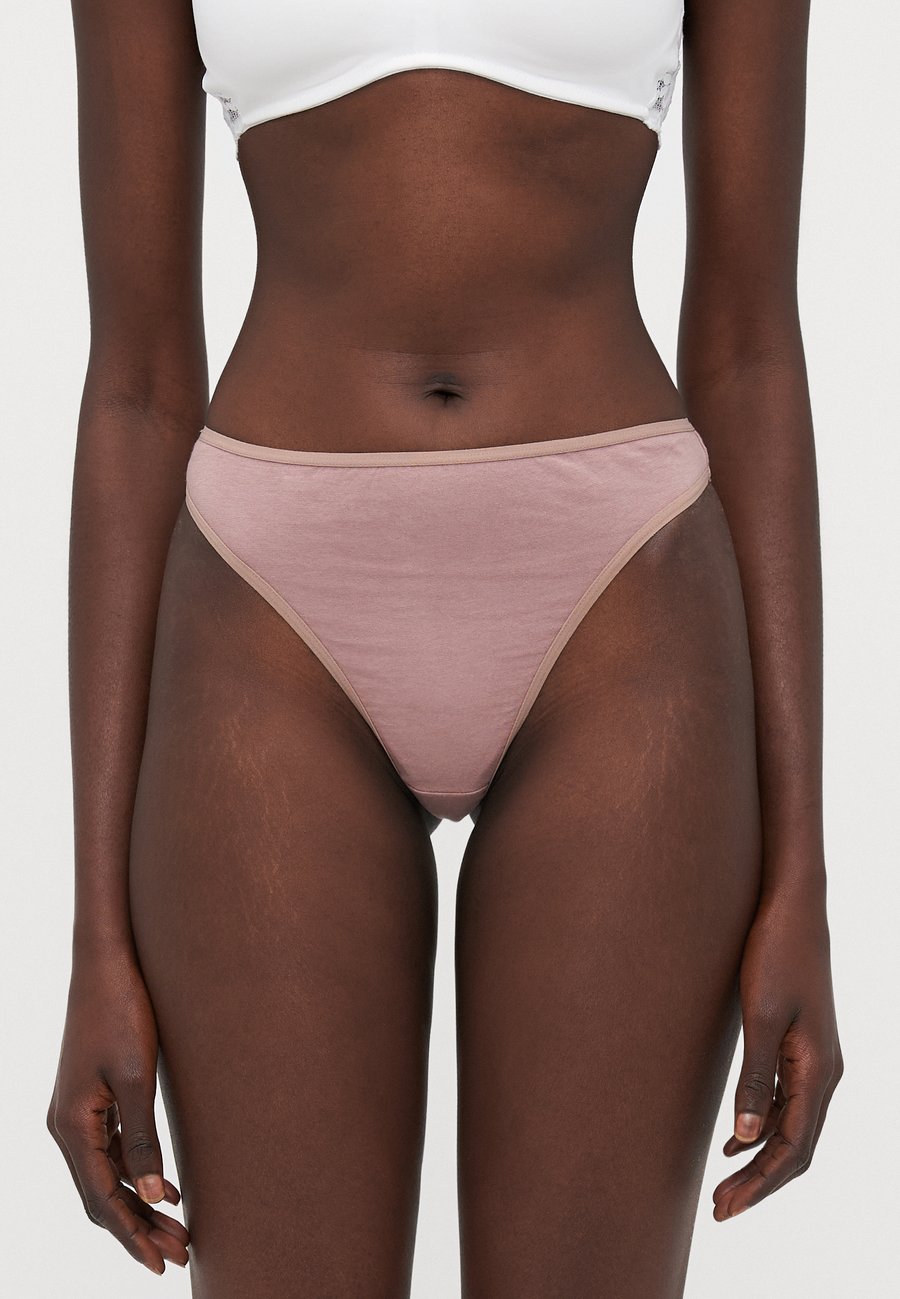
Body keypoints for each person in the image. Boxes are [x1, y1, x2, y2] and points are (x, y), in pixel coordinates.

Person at [47, 1, 843, 1294]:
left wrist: (801, 874)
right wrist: (96, 937)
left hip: (622, 597)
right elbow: (135, 385)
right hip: (269, 611)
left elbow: (751, 346)